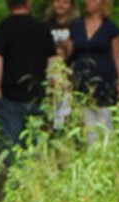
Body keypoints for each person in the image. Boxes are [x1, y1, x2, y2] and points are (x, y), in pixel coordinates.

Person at [0, 0, 56, 166]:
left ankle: (15, 182)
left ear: (9, 5)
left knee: (12, 143)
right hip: (37, 95)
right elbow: (53, 61)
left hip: (11, 95)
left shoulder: (3, 28)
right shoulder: (42, 28)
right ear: (28, 4)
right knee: (36, 142)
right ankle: (35, 182)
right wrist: (52, 88)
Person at [67, 0, 119, 141]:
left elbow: (118, 56)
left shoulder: (111, 28)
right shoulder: (76, 26)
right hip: (82, 80)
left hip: (105, 80)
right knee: (87, 124)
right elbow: (69, 53)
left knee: (105, 122)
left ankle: (106, 154)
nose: (88, 2)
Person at [43, 0, 77, 131]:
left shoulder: (76, 25)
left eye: (65, 2)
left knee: (69, 112)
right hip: (50, 74)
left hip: (69, 74)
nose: (60, 5)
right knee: (50, 112)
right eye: (57, 1)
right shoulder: (46, 25)